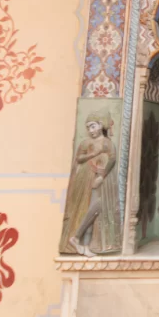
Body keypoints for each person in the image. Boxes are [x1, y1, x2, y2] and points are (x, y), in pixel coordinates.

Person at [61, 110, 120, 256]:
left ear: (100, 125)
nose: (90, 130)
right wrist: (93, 154)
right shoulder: (86, 142)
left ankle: (82, 242)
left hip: (101, 177)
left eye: (93, 126)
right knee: (91, 208)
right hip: (86, 177)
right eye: (88, 128)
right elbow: (79, 159)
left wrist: (102, 176)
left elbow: (112, 159)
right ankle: (78, 240)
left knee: (96, 208)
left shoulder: (107, 142)